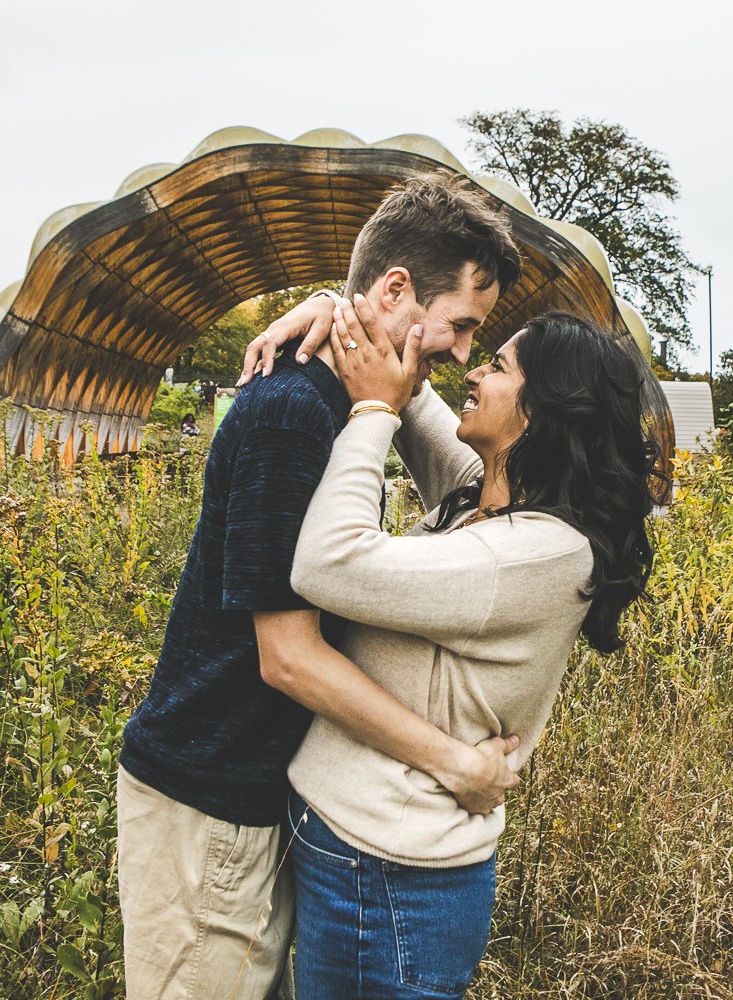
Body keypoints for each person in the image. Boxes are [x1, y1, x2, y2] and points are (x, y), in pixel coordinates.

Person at [116, 174, 524, 1000]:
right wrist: (453, 762)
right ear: (396, 290)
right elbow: (287, 658)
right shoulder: (293, 412)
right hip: (211, 794)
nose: (461, 352)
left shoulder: (350, 403)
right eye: (460, 326)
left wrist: (335, 310)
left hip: (261, 795)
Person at [245, 295, 661, 997]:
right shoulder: (485, 493)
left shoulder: (533, 554)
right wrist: (327, 306)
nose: (473, 370)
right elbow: (402, 378)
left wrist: (372, 413)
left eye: (497, 366)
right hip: (357, 852)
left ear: (544, 410)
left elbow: (326, 563)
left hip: (391, 879)